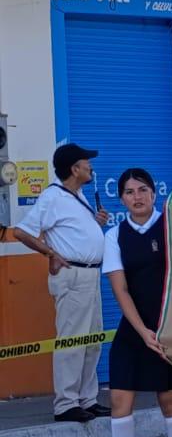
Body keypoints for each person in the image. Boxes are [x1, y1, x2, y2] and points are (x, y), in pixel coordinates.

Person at [86, 168, 172, 437]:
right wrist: (142, 331)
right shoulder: (114, 236)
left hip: (168, 327)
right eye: (130, 192)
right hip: (134, 330)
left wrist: (167, 328)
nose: (137, 196)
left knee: (170, 401)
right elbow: (119, 289)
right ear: (122, 199)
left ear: (154, 193)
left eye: (143, 190)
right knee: (120, 401)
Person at [13, 143, 109, 422]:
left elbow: (73, 233)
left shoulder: (76, 195)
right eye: (86, 162)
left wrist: (96, 223)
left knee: (92, 341)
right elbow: (21, 231)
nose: (91, 166)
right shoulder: (52, 197)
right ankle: (66, 403)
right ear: (74, 169)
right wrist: (50, 253)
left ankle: (87, 399)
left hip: (90, 275)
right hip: (74, 277)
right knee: (73, 340)